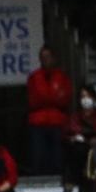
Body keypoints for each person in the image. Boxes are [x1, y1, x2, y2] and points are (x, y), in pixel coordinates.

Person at [26, 47, 72, 178]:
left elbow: (65, 100)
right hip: (37, 124)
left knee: (57, 157)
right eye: (42, 56)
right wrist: (54, 97)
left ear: (53, 57)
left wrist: (45, 98)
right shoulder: (33, 77)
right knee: (38, 157)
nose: (45, 59)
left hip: (57, 123)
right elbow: (33, 101)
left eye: (48, 56)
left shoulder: (62, 77)